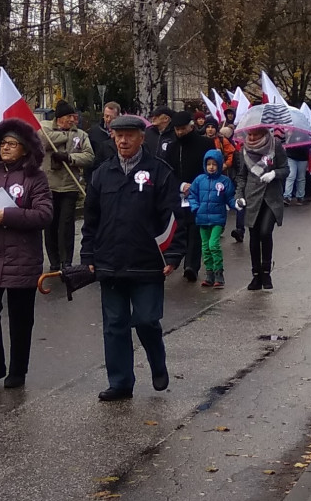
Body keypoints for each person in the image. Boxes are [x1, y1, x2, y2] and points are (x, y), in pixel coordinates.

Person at [80, 114, 186, 402]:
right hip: (110, 262)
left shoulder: (159, 172)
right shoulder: (102, 174)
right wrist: (88, 254)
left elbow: (173, 217)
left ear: (142, 137)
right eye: (118, 135)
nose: (123, 140)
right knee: (115, 325)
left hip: (147, 262)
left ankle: (157, 361)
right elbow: (90, 220)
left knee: (147, 320)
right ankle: (120, 382)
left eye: (129, 135)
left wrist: (174, 253)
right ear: (112, 137)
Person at [0, 119, 52, 389]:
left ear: (25, 149)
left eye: (12, 144)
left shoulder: (35, 178)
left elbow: (44, 214)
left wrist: (7, 215)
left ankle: (17, 370)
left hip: (23, 257)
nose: (5, 147)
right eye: (2, 143)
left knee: (20, 317)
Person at [40, 99, 94, 272]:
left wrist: (70, 158)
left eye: (74, 116)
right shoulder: (45, 129)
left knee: (66, 225)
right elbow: (43, 141)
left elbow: (89, 156)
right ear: (60, 118)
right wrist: (65, 135)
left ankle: (66, 261)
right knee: (50, 225)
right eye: (70, 116)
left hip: (70, 185)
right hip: (49, 186)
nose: (73, 120)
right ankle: (54, 261)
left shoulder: (81, 135)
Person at [163, 111, 215, 282]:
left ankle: (191, 265)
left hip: (200, 192)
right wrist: (180, 185)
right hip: (178, 193)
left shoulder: (206, 144)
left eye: (183, 129)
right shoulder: (171, 147)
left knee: (195, 228)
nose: (179, 133)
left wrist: (199, 185)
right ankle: (176, 258)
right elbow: (167, 171)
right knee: (179, 226)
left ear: (191, 127)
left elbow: (211, 167)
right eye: (177, 130)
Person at [234, 126, 287, 290]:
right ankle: (256, 275)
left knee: (265, 232)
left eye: (255, 134)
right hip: (252, 197)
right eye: (249, 134)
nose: (251, 137)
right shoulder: (244, 149)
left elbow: (285, 169)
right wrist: (239, 196)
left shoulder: (275, 145)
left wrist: (274, 174)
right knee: (254, 236)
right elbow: (241, 176)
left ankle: (266, 271)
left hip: (271, 198)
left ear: (263, 133)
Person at [187, 149, 235, 288]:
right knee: (205, 247)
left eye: (214, 164)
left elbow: (229, 198)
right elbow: (193, 195)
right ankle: (209, 274)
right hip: (202, 219)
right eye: (209, 164)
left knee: (213, 245)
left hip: (217, 219)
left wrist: (236, 204)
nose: (211, 167)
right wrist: (195, 207)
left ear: (219, 165)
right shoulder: (199, 180)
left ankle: (219, 274)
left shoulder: (224, 181)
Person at [87, 102, 119, 173]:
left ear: (117, 117)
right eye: (106, 116)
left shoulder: (122, 134)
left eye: (112, 117)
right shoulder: (94, 132)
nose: (108, 120)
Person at [283, 141, 311, 206]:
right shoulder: (293, 132)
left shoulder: (306, 134)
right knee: (291, 176)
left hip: (302, 157)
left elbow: (310, 144)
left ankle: (299, 196)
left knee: (300, 177)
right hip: (292, 156)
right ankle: (288, 196)